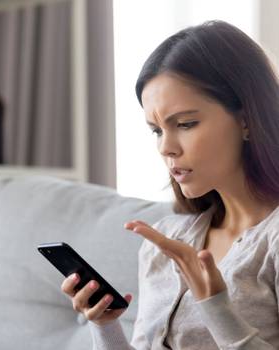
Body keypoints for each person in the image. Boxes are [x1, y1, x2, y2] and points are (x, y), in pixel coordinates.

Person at [61, 20, 279, 349]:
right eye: (157, 130)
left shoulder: (271, 241)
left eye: (186, 123)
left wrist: (216, 308)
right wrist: (105, 326)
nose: (166, 147)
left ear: (247, 120)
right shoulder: (165, 242)